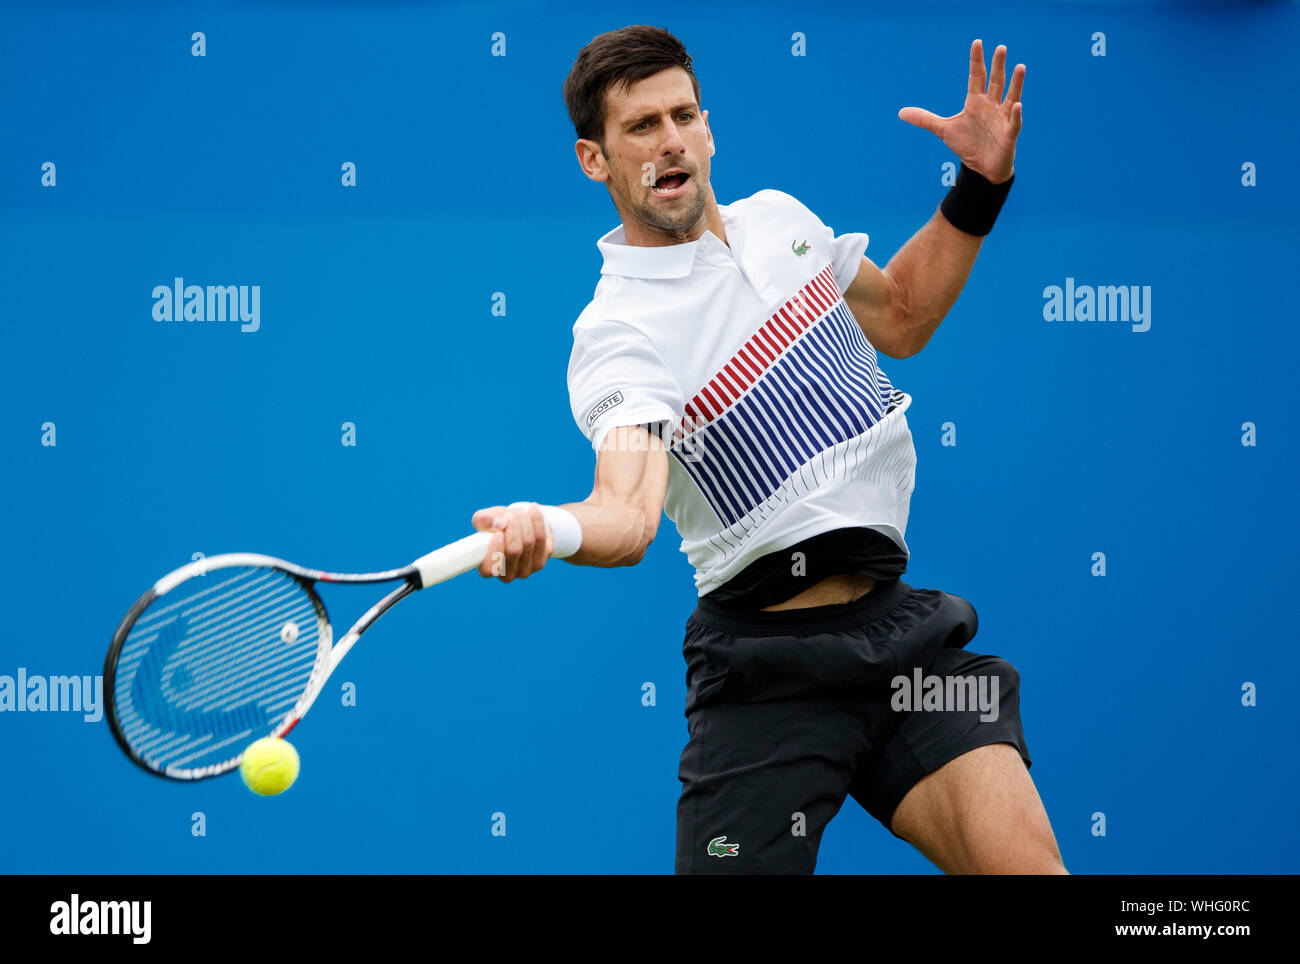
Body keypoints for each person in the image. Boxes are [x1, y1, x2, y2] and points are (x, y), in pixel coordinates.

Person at [469, 24, 1066, 875]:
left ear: (708, 128)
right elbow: (626, 514)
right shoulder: (618, 332)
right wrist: (548, 526)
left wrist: (979, 183)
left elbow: (901, 314)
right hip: (766, 674)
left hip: (903, 639)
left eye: (683, 115)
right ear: (593, 161)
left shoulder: (780, 221)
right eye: (640, 127)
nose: (669, 140)